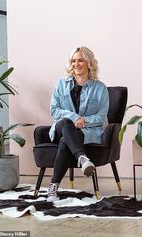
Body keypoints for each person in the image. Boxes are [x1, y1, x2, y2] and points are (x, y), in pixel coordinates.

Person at [47, 46, 109, 202]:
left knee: (64, 141)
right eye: (73, 61)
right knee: (66, 122)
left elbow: (101, 117)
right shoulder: (61, 84)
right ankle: (82, 158)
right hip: (61, 128)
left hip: (86, 132)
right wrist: (74, 117)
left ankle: (53, 187)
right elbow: (54, 110)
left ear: (89, 63)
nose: (76, 64)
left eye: (80, 60)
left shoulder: (100, 88)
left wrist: (84, 121)